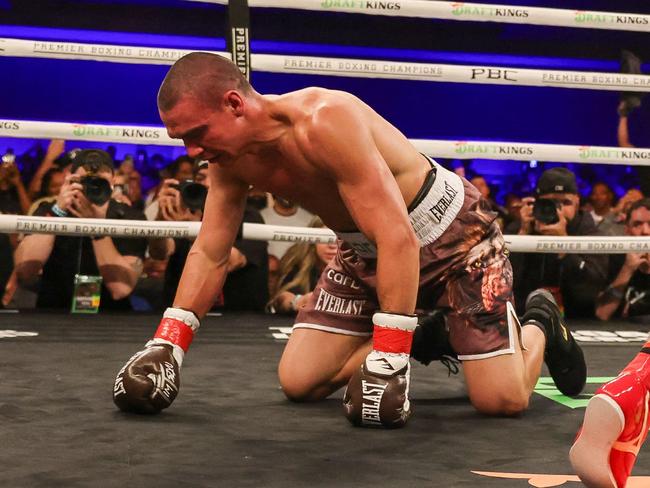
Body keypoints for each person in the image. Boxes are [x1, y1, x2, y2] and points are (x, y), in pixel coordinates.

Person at [113, 52, 586, 426]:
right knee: (300, 382)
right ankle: (430, 331)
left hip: (451, 236)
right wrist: (168, 344)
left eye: (196, 133)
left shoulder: (325, 120)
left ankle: (539, 320)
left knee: (501, 401)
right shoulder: (228, 160)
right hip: (363, 250)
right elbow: (212, 250)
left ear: (234, 104)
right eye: (182, 140)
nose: (192, 151)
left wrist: (390, 354)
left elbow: (397, 234)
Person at [14, 149, 147, 311]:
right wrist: (58, 212)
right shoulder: (49, 211)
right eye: (85, 181)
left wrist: (97, 228)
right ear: (70, 181)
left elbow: (120, 289)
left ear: (112, 182)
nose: (93, 187)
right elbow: (25, 272)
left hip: (111, 317)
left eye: (100, 182)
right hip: (53, 313)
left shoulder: (128, 216)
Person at [147, 159, 269, 311]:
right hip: (183, 311)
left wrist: (194, 230)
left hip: (236, 314)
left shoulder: (249, 216)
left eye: (214, 178)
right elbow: (159, 252)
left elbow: (231, 261)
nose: (206, 184)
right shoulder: (187, 211)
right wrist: (163, 217)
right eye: (200, 178)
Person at [506, 167, 609, 319]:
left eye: (566, 202)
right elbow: (503, 285)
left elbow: (590, 292)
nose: (559, 210)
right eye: (552, 202)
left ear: (577, 202)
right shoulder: (519, 229)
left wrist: (564, 246)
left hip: (578, 321)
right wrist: (523, 236)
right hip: (524, 317)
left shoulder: (590, 234)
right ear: (537, 203)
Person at [268, 216, 337, 314]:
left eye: (339, 238)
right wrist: (299, 301)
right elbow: (282, 298)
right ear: (313, 241)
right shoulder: (299, 259)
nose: (332, 245)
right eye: (325, 238)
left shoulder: (359, 265)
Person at [595, 198, 650, 322]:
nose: (645, 231)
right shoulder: (614, 259)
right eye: (637, 224)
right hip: (620, 334)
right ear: (627, 230)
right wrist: (627, 270)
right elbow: (602, 314)